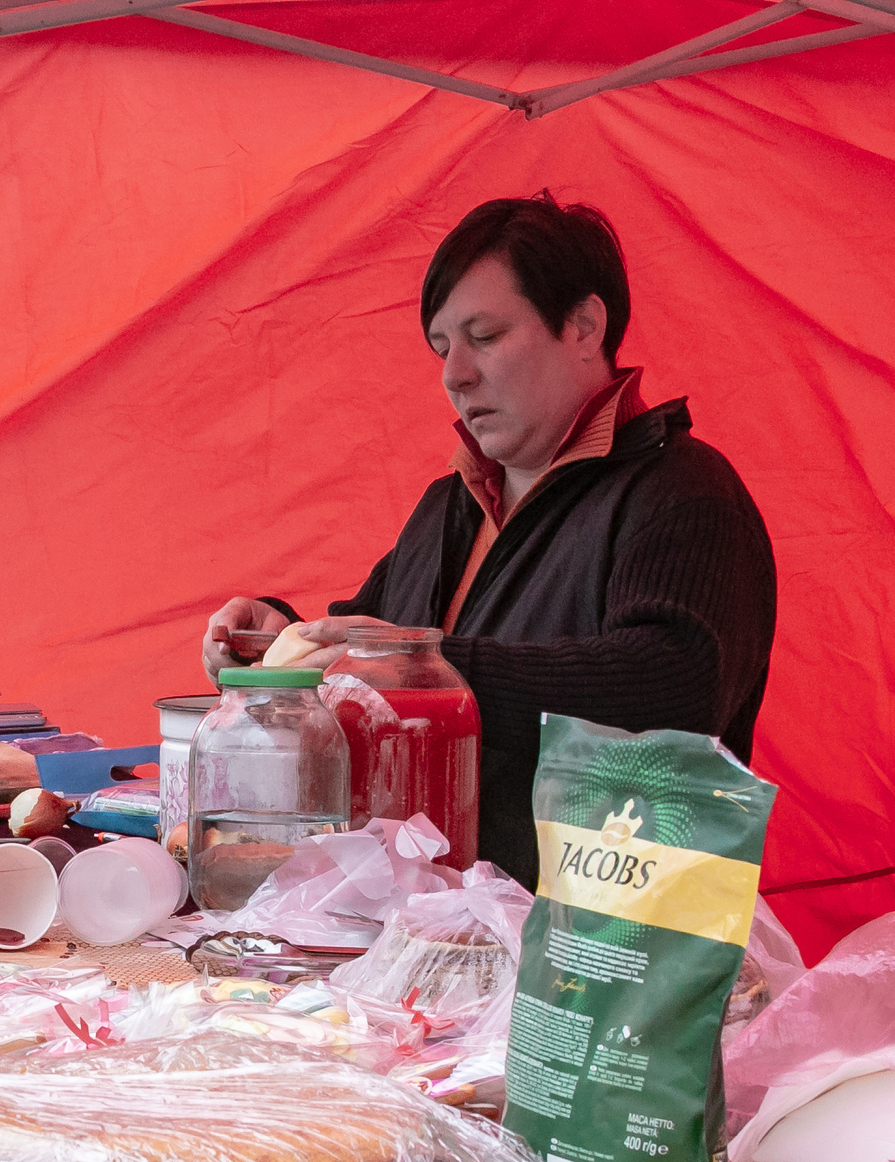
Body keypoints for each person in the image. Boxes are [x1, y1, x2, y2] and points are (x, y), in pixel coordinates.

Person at [201, 193, 776, 884]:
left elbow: (675, 685)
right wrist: (284, 636)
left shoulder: (683, 490)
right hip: (423, 935)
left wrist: (434, 673)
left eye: (486, 335)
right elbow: (373, 643)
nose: (455, 374)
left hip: (597, 952)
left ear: (584, 325)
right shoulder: (448, 506)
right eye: (443, 348)